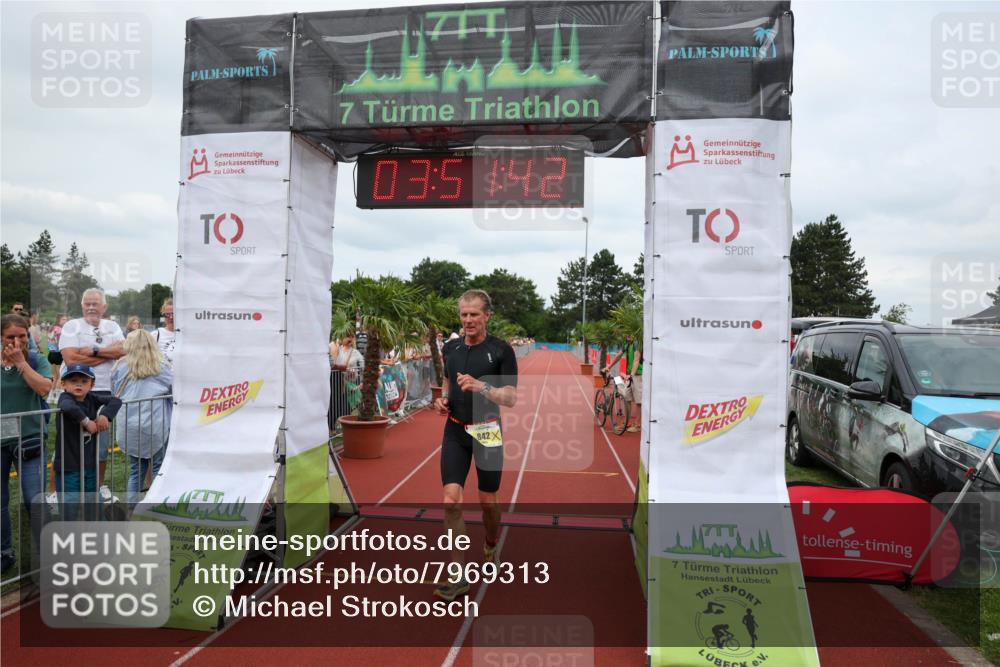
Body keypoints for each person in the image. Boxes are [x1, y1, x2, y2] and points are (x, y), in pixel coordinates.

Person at [432, 289, 518, 602]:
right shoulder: (451, 347)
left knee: (487, 502)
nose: (468, 320)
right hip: (454, 430)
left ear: (487, 316)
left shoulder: (501, 350)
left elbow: (510, 398)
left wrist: (482, 386)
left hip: (486, 430)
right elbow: (447, 381)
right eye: (464, 315)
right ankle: (458, 574)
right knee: (450, 500)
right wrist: (442, 400)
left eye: (474, 315)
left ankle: (491, 542)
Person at [58, 288, 125, 497]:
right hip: (75, 392)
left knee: (101, 444)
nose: (91, 307)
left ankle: (99, 486)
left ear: (104, 307)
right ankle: (54, 490)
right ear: (81, 305)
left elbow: (123, 350)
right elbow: (70, 359)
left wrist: (93, 351)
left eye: (95, 303)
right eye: (87, 303)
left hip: (104, 389)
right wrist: (107, 354)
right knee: (66, 444)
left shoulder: (112, 326)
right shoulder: (71, 326)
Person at [1, 314, 54, 573]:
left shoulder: (35, 359)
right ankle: (4, 552)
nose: (17, 341)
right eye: (11, 336)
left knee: (34, 499)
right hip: (1, 441)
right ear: (1, 338)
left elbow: (45, 388)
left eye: (21, 336)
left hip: (30, 440)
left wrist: (21, 364)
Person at [111, 330, 172, 509]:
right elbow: (174, 391)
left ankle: (132, 510)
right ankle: (157, 509)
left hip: (129, 424)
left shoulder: (119, 366)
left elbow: (113, 391)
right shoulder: (162, 367)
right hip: (156, 424)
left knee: (136, 472)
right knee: (158, 469)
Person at [54, 364, 122, 518]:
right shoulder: (65, 397)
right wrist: (86, 422)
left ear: (92, 385)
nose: (79, 384)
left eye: (84, 381)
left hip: (90, 465)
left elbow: (116, 401)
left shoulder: (92, 398)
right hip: (68, 466)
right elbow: (67, 407)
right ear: (63, 384)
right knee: (69, 507)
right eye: (74, 380)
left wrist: (105, 415)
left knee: (93, 503)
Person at [602, 333, 643, 432]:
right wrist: (609, 366)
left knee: (639, 401)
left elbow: (636, 359)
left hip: (638, 375)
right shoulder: (627, 344)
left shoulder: (638, 343)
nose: (627, 336)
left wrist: (632, 374)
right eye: (626, 334)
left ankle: (637, 425)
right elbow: (619, 355)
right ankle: (627, 422)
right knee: (627, 398)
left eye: (629, 334)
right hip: (631, 375)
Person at [153, 298, 175, 368]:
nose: (171, 318)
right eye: (167, 315)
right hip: (163, 377)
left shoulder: (187, 335)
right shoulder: (155, 335)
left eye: (173, 314)